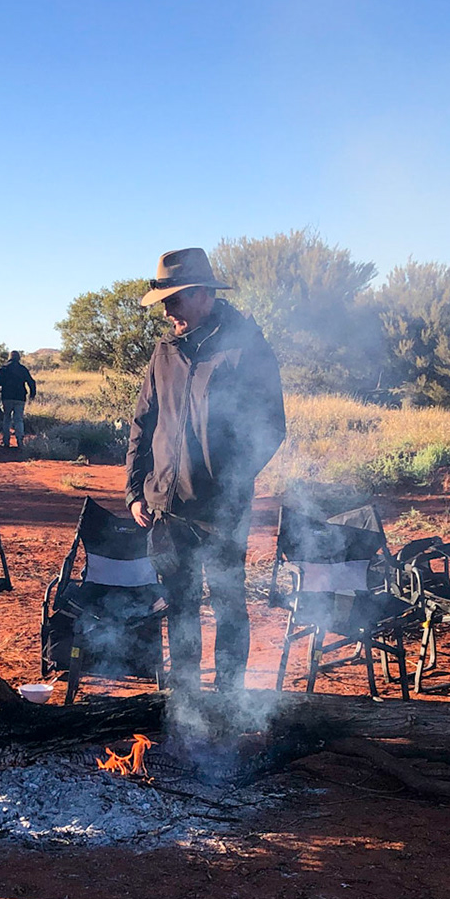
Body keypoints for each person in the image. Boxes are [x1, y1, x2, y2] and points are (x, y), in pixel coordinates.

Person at [125, 247, 285, 694]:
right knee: (180, 605)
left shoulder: (246, 347)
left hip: (221, 510)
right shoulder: (166, 351)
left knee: (229, 605)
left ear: (201, 294)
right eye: (164, 303)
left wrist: (228, 481)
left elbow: (271, 426)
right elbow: (143, 421)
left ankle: (229, 701)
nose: (167, 312)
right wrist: (135, 490)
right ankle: (187, 699)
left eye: (173, 301)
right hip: (167, 508)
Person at [0, 350, 37, 449]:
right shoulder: (23, 369)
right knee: (18, 419)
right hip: (20, 398)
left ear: (9, 358)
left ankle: (6, 441)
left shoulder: (3, 369)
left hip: (6, 397)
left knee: (6, 418)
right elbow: (31, 382)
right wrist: (32, 395)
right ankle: (20, 441)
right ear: (19, 358)